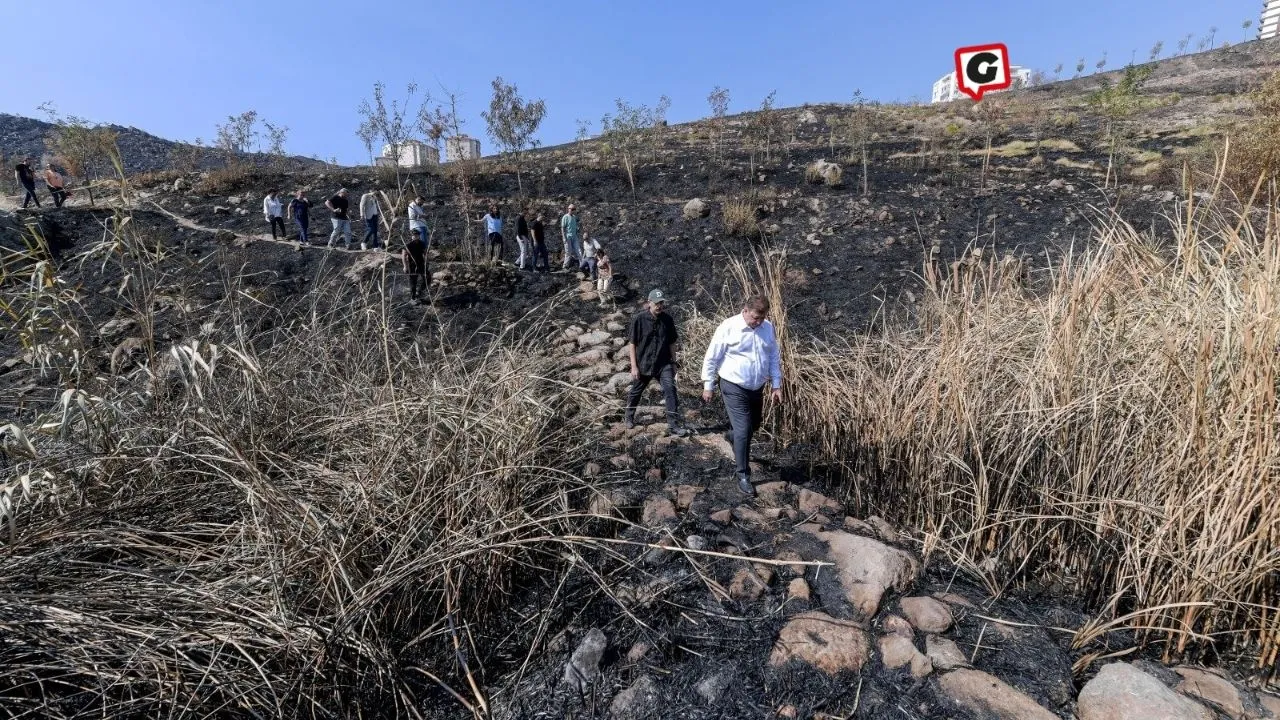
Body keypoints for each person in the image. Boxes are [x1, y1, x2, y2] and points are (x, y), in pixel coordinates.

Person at [700, 295, 784, 497]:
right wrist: (708, 385)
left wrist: (776, 385)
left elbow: (773, 356)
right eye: (755, 318)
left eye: (761, 318)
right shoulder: (728, 327)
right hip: (733, 384)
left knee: (753, 425)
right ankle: (743, 475)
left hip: (757, 387)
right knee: (744, 430)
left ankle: (732, 436)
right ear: (745, 310)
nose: (758, 322)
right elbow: (712, 357)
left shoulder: (767, 328)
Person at [626, 289, 691, 437]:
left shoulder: (668, 320)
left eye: (661, 303)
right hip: (644, 364)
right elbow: (632, 344)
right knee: (636, 391)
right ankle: (629, 417)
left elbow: (672, 343)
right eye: (656, 303)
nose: (659, 306)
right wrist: (634, 366)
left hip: (663, 364)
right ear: (649, 303)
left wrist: (674, 363)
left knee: (670, 390)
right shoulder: (639, 319)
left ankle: (673, 425)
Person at [403, 206, 431, 304]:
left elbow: (425, 253)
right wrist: (405, 266)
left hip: (421, 264)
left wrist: (427, 261)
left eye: (417, 235)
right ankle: (413, 298)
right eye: (414, 235)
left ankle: (420, 291)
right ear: (412, 236)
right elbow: (404, 256)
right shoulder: (408, 245)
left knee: (428, 278)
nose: (415, 236)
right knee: (413, 282)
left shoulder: (422, 243)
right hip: (412, 265)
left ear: (419, 235)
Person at [559, 203, 580, 269]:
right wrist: (564, 237)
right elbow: (562, 228)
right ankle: (565, 266)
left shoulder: (574, 217)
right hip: (568, 237)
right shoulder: (565, 217)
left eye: (574, 209)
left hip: (574, 236)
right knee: (568, 252)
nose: (573, 210)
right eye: (572, 209)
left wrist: (577, 230)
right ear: (568, 209)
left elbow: (576, 226)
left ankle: (582, 264)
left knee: (578, 250)